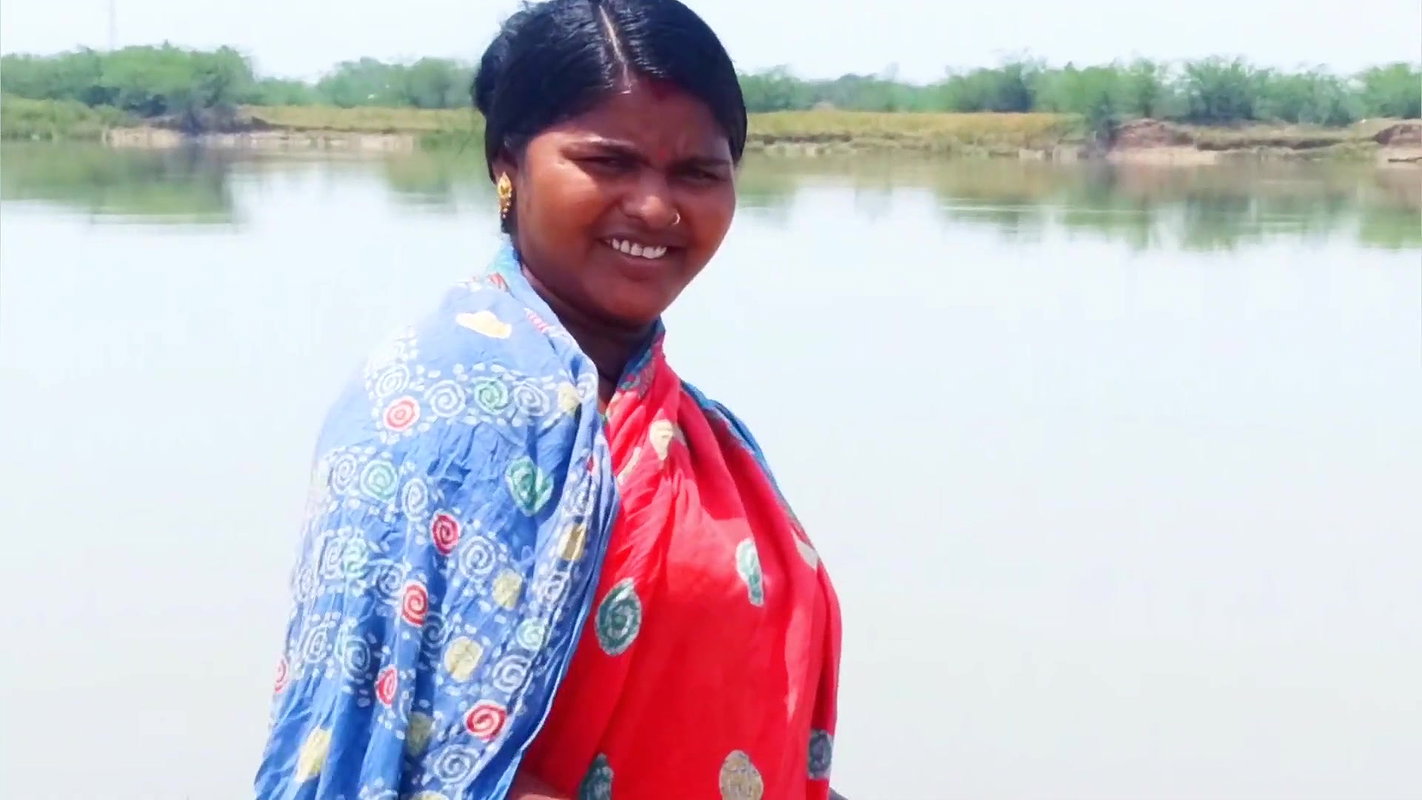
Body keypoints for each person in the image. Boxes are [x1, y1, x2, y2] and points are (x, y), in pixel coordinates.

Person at [254, 1, 841, 798]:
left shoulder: (703, 438)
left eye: (697, 172)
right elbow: (415, 763)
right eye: (608, 162)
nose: (657, 208)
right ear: (508, 165)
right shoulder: (434, 412)